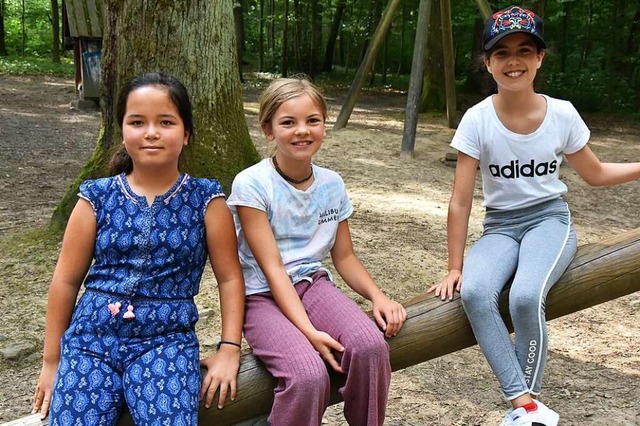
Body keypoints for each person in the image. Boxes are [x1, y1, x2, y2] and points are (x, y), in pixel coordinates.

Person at [428, 5, 640, 426]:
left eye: (525, 50)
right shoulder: (477, 119)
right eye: (502, 53)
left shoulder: (561, 113)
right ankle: (525, 407)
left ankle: (526, 411)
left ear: (539, 58)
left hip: (549, 221)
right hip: (500, 227)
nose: (514, 61)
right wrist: (455, 266)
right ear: (488, 64)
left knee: (525, 297)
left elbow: (594, 174)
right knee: (473, 292)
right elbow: (460, 200)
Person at [31, 72, 245, 425]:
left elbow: (230, 279)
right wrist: (52, 361)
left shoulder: (207, 200)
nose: (151, 132)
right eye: (137, 121)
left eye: (166, 122)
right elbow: (66, 281)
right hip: (91, 339)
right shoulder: (95, 198)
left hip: (166, 342)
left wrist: (229, 349)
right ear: (122, 131)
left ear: (186, 133)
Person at [227, 77, 407, 426]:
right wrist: (308, 332)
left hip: (313, 284)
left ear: (324, 124)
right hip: (261, 296)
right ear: (268, 130)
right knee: (308, 375)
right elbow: (273, 268)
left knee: (370, 348)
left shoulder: (332, 184)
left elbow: (344, 257)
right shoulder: (252, 184)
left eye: (313, 120)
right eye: (288, 122)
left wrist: (378, 297)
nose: (302, 131)